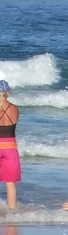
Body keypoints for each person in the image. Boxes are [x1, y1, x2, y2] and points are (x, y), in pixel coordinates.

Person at [0, 80, 20, 209]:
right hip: (11, 147)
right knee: (10, 183)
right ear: (7, 92)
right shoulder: (14, 108)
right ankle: (12, 212)